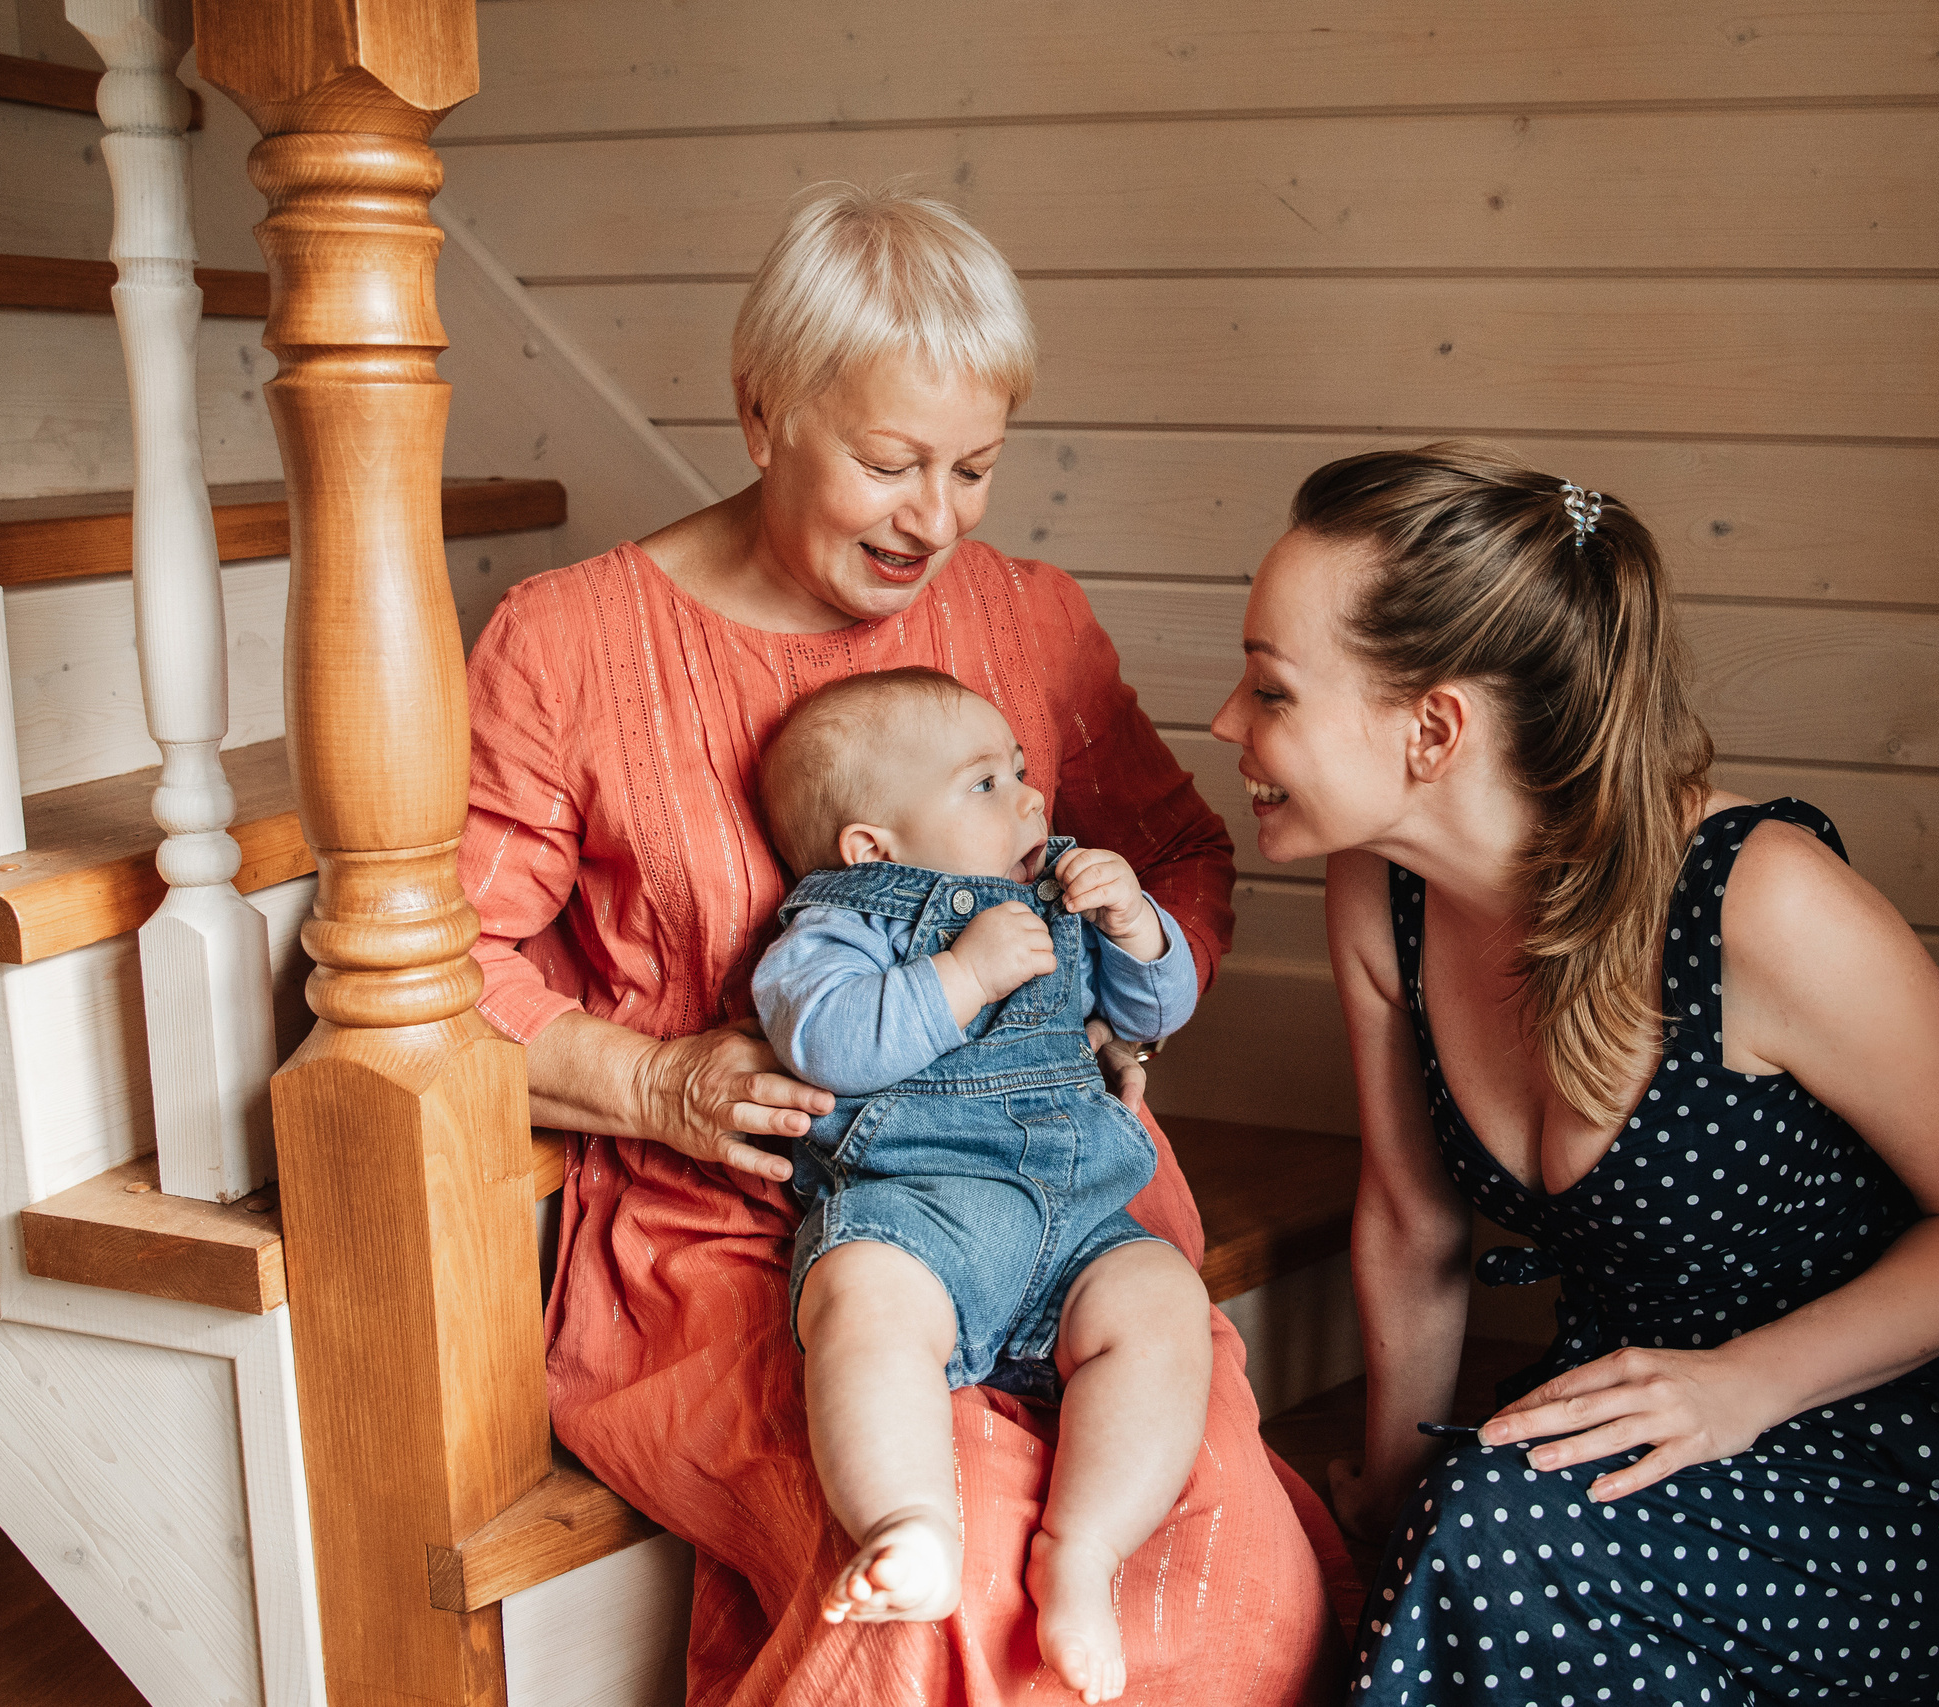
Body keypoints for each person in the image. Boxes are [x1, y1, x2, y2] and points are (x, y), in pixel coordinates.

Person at [459, 181, 1353, 1704]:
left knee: (1232, 1575)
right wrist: (657, 1081)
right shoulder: (568, 643)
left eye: (973, 467)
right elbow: (439, 975)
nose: (934, 518)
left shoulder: (1029, 618)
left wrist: (1130, 987)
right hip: (739, 1234)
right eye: (888, 463)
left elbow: (1180, 852)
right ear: (761, 412)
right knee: (962, 1589)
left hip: (1060, 1193)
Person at [1208, 442, 1939, 1705]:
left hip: (1911, 1451)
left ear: (1433, 729)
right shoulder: (1380, 887)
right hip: (1644, 1421)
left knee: (1491, 1536)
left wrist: (1743, 1387)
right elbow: (1414, 1222)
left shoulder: (1762, 902)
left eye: (1270, 689)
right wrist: (1391, 1487)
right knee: (1461, 1528)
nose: (1225, 723)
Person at [753, 667, 1212, 1702]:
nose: (1030, 798)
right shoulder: (837, 927)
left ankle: (1084, 1550)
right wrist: (961, 974)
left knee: (1163, 1300)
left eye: (1020, 769)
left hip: (1081, 1218)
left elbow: (1153, 1013)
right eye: (985, 784)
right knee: (860, 1301)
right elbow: (827, 1040)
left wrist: (1135, 928)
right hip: (919, 1212)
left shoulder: (1059, 892)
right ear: (872, 849)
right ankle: (907, 1521)